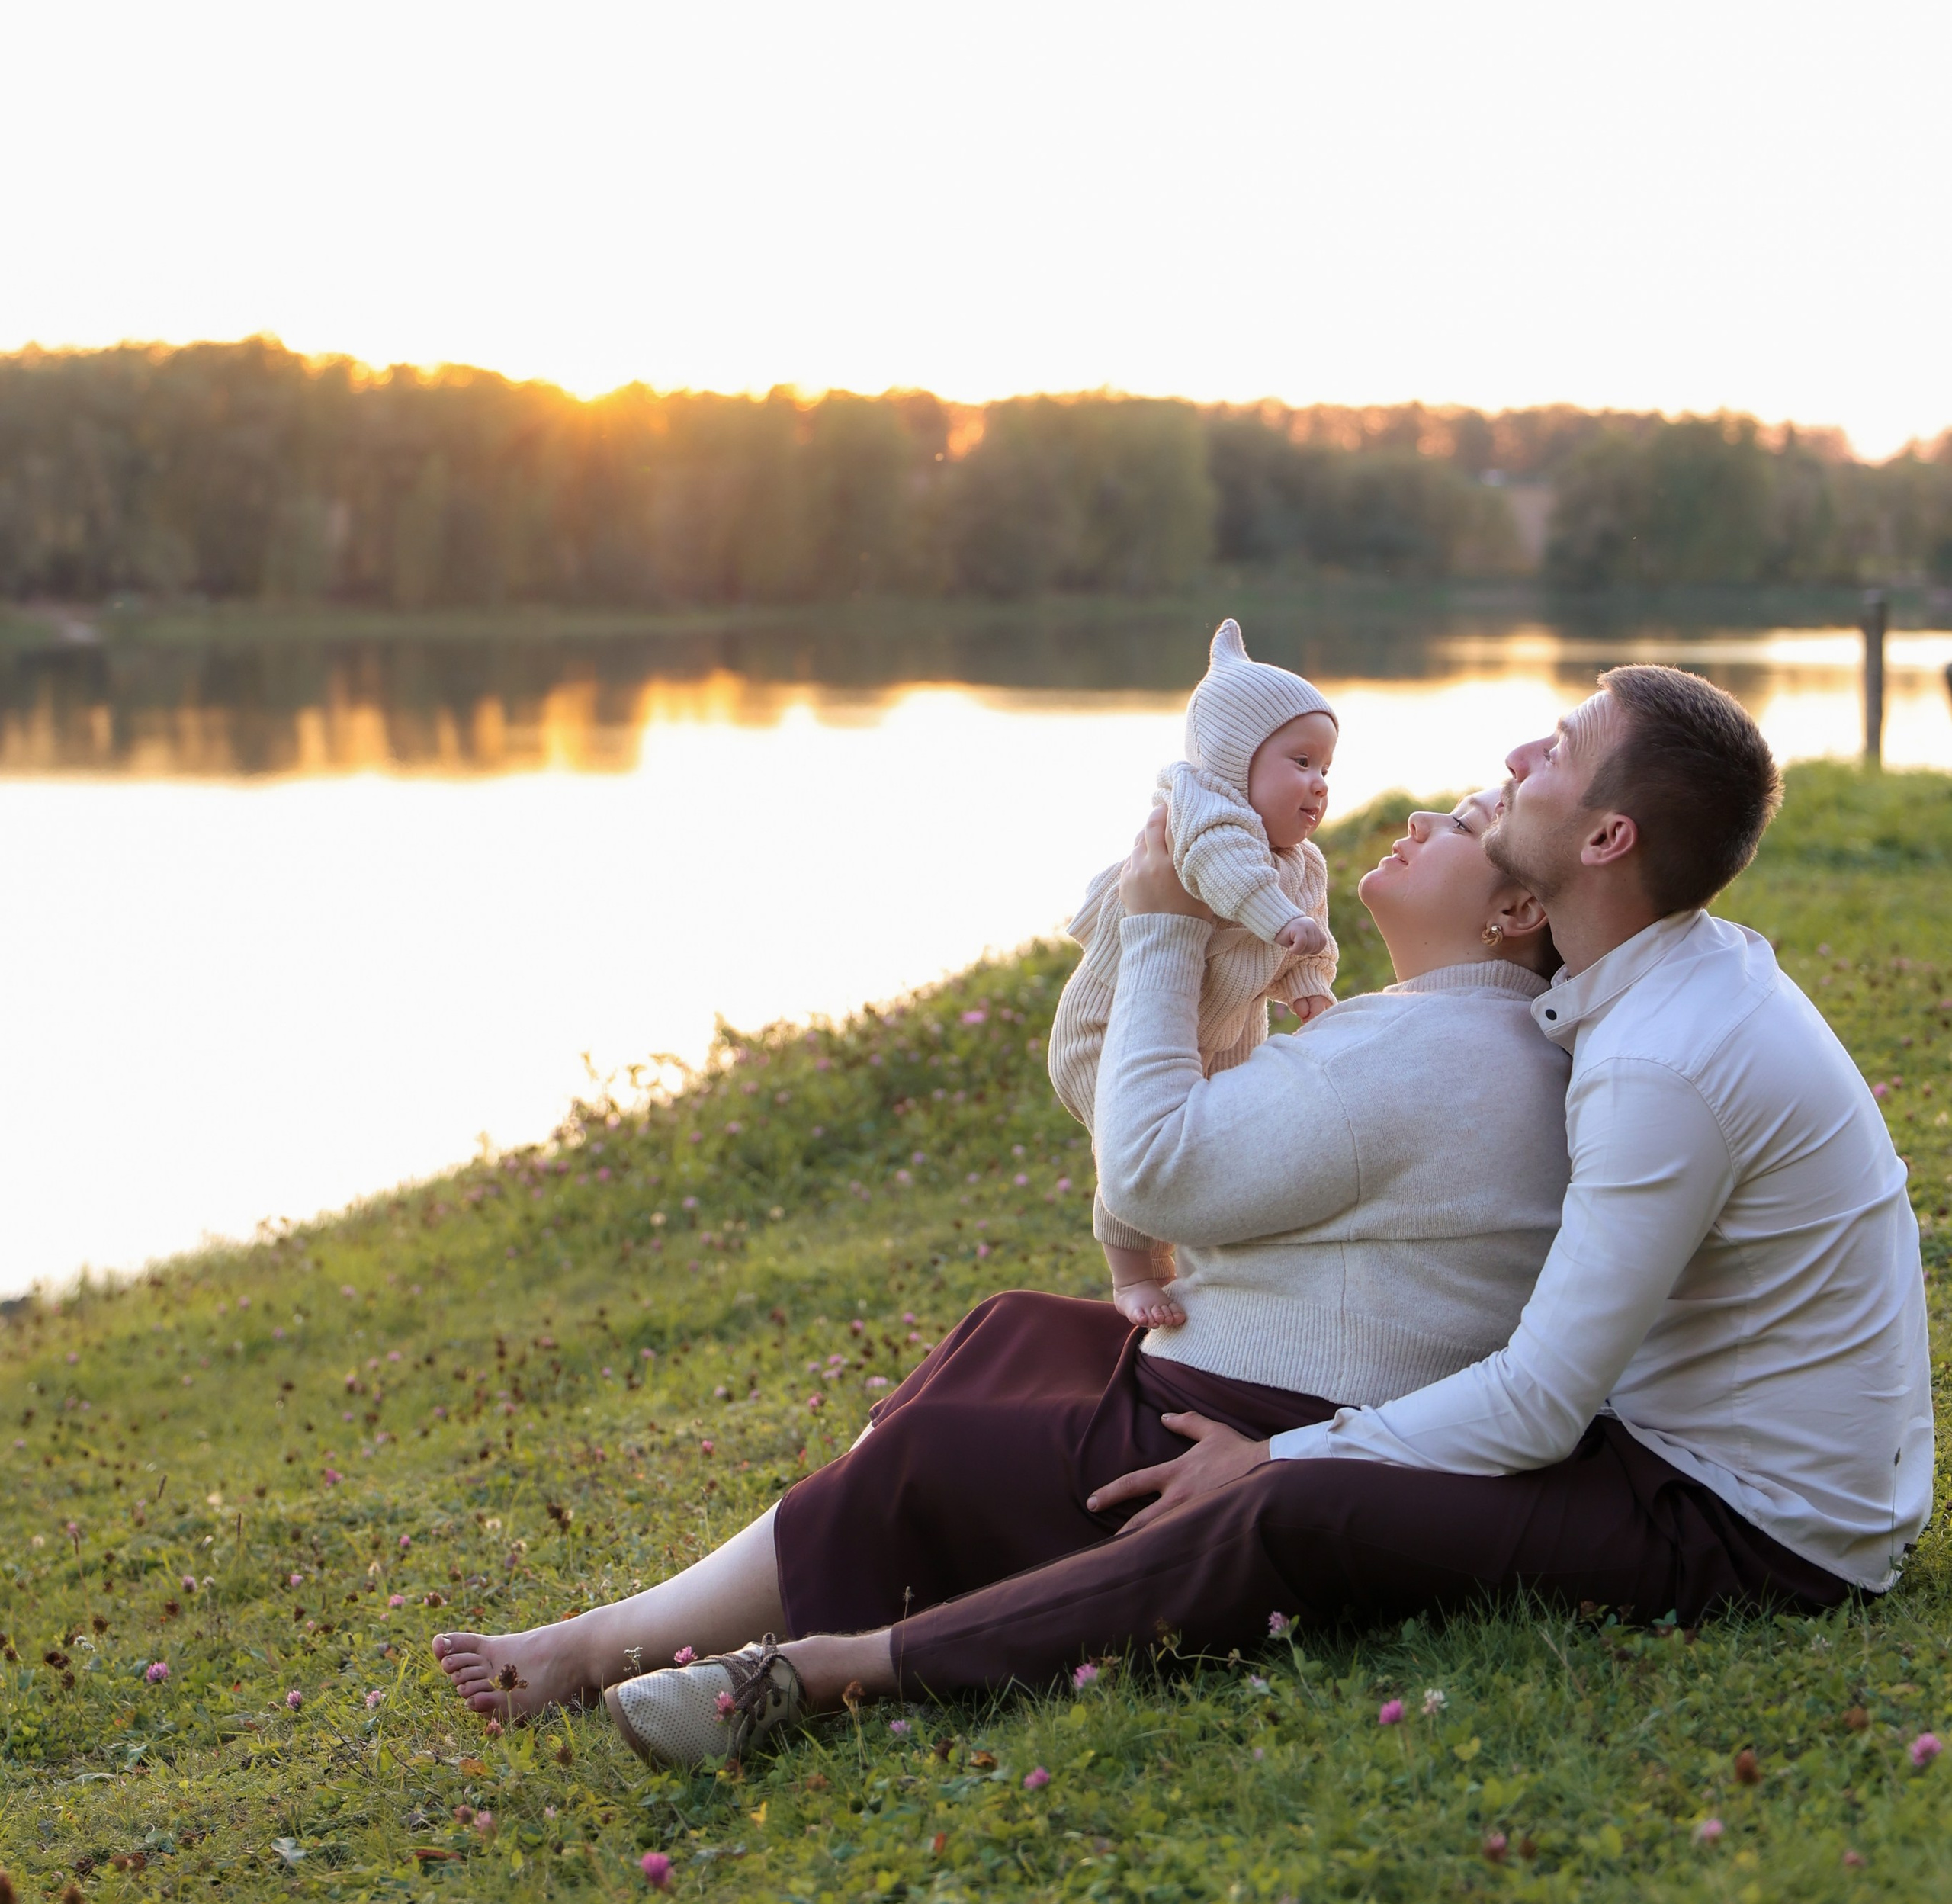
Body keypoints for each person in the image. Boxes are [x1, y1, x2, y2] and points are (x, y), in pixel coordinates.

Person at [437, 666, 1931, 1765]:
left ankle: (835, 1673)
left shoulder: (1657, 1056)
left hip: (1746, 1525)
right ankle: (760, 1616)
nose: (1518, 754)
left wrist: (1281, 1449)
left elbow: (1539, 1401)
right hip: (1668, 1448)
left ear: (1601, 846)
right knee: (1067, 1365)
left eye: (1557, 751)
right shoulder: (1640, 998)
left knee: (1283, 1509)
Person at [432, 777, 1570, 1761]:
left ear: (1518, 907)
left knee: (939, 1450)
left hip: (1252, 1424)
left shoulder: (1424, 1051)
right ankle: (752, 1593)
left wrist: (1165, 924)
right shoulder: (1452, 1029)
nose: (1422, 816)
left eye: (1467, 822)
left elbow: (1149, 1174)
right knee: (1015, 1329)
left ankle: (601, 1647)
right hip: (1284, 1377)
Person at [1049, 618, 1340, 1328]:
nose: (1319, 784)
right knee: (1135, 1142)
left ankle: (1191, 1256)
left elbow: (1313, 938)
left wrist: (1309, 987)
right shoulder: (1202, 816)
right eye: (1300, 762)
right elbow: (1224, 872)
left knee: (1214, 1142)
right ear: (1235, 759)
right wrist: (1277, 921)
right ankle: (1129, 1277)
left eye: (1327, 769)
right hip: (1112, 1025)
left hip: (1221, 1025)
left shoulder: (1303, 864)